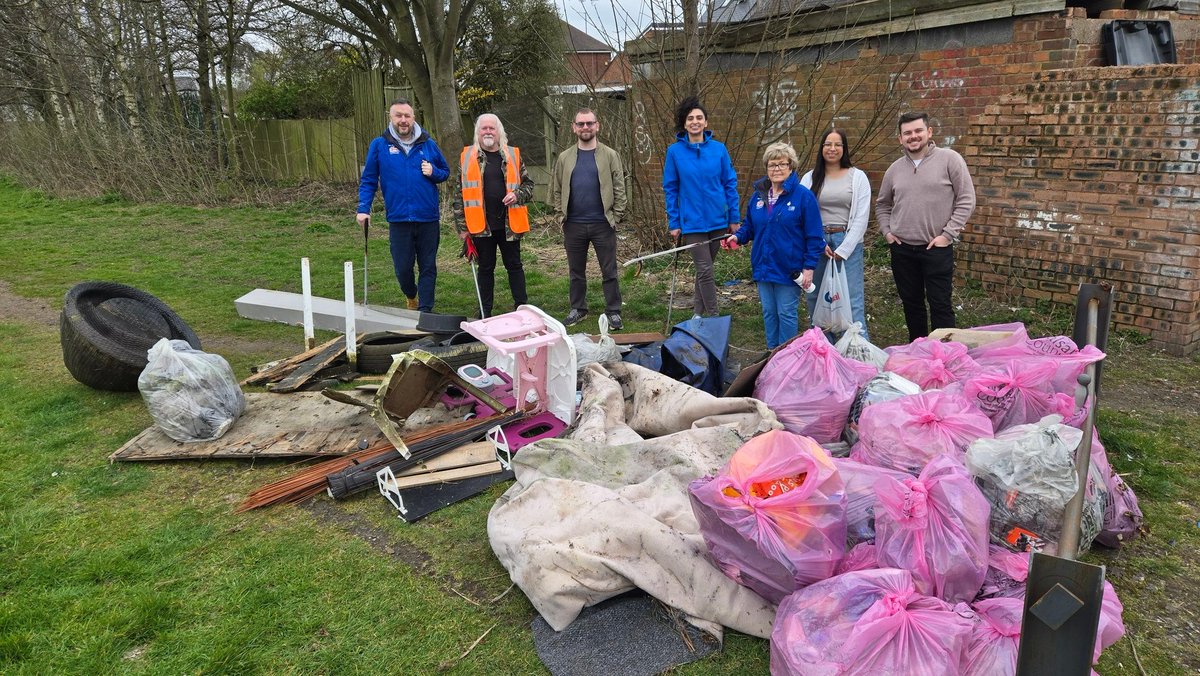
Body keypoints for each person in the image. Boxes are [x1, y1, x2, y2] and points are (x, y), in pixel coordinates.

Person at [876, 111, 976, 341]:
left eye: (918, 131)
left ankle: (945, 355)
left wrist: (947, 235)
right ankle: (918, 351)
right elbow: (882, 205)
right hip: (902, 249)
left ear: (929, 132)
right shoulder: (894, 170)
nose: (913, 136)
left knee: (940, 305)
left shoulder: (950, 159)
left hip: (936, 248)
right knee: (912, 306)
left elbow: (966, 199)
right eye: (907, 133)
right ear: (900, 138)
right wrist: (887, 232)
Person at [724, 142, 824, 349]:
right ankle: (771, 355)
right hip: (763, 265)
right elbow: (750, 226)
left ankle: (787, 357)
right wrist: (737, 237)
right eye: (772, 165)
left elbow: (814, 237)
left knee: (786, 313)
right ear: (766, 167)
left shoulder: (803, 197)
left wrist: (809, 268)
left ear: (791, 167)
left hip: (790, 269)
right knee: (769, 313)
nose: (776, 169)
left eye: (781, 164)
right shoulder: (758, 196)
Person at [357, 99, 450, 312]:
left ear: (414, 118)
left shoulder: (428, 143)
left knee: (428, 266)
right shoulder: (379, 145)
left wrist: (433, 172)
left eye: (407, 116)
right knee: (403, 268)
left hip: (428, 218)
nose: (403, 120)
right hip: (399, 219)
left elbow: (445, 171)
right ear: (391, 118)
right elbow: (369, 179)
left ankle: (425, 311)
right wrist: (363, 209)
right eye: (398, 115)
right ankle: (411, 294)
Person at [549, 108, 628, 329]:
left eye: (589, 123)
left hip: (603, 224)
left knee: (609, 271)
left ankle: (613, 311)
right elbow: (557, 189)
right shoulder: (565, 157)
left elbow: (620, 187)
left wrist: (617, 215)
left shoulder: (610, 155)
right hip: (573, 224)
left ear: (597, 126)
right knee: (576, 271)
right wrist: (560, 214)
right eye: (581, 124)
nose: (586, 127)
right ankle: (578, 309)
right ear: (574, 127)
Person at [663, 96, 740, 319]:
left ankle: (697, 314)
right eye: (690, 118)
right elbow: (671, 188)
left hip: (718, 221)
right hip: (692, 223)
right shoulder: (674, 152)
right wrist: (674, 222)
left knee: (703, 270)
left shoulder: (719, 150)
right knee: (705, 270)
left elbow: (729, 183)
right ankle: (714, 318)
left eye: (699, 118)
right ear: (684, 124)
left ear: (706, 122)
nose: (695, 122)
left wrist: (733, 218)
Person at [452, 113, 534, 318]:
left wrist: (517, 195)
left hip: (509, 225)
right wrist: (462, 228)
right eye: (484, 128)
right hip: (480, 226)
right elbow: (458, 195)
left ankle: (522, 308)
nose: (488, 132)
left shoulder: (513, 155)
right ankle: (484, 311)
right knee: (485, 269)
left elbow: (529, 185)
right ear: (478, 133)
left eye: (492, 128)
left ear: (499, 132)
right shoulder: (466, 157)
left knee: (514, 266)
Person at [800, 128, 873, 339]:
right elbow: (803, 215)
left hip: (846, 243)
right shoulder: (809, 178)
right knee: (815, 297)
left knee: (852, 300)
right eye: (827, 144)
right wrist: (818, 243)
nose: (832, 148)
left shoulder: (857, 177)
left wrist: (844, 249)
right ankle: (824, 351)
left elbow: (861, 217)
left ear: (844, 148)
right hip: (817, 244)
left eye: (837, 144)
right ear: (821, 148)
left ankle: (858, 354)